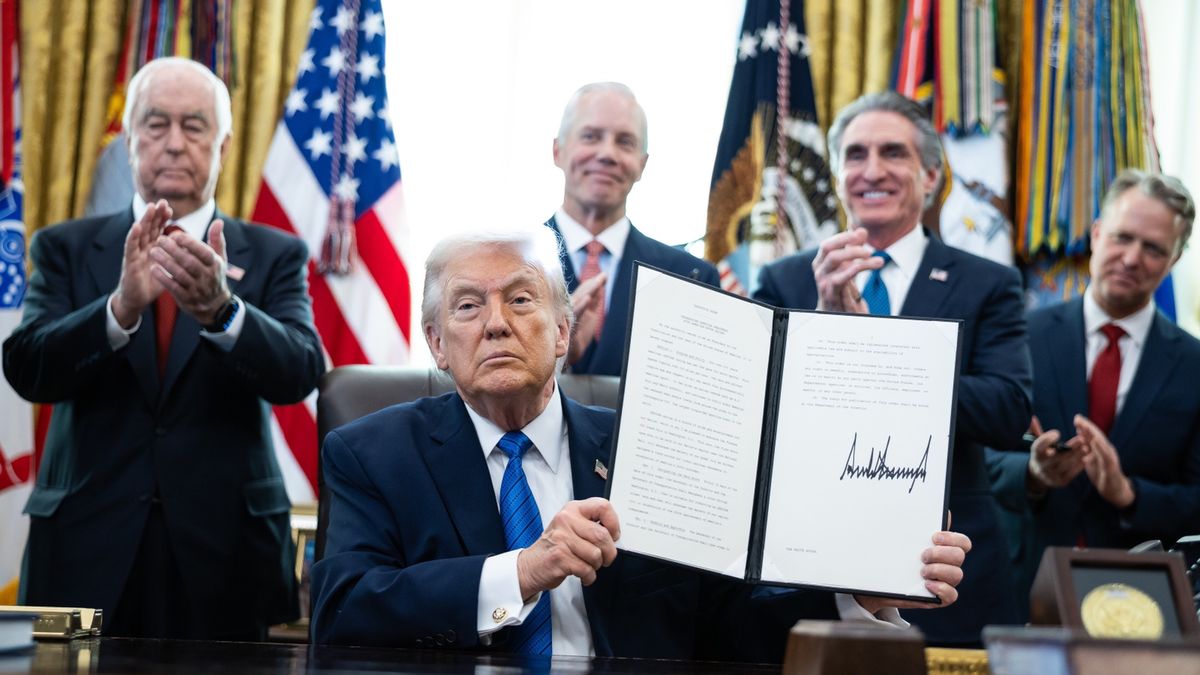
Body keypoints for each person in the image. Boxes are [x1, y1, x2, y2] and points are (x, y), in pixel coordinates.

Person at [310, 224, 971, 661]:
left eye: (521, 300)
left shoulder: (656, 446)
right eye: (467, 306)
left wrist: (863, 593)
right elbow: (342, 612)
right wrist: (524, 571)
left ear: (563, 332)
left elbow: (727, 625)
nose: (497, 324)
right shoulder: (370, 452)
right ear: (436, 344)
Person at [2, 57, 324, 640]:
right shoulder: (64, 248)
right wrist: (119, 308)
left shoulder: (275, 253)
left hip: (229, 556)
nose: (174, 143)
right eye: (156, 124)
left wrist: (223, 311)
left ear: (223, 146)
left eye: (194, 125)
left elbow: (301, 371)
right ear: (129, 140)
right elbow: (28, 368)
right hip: (84, 548)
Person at [753, 91, 1032, 645]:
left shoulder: (988, 283)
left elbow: (1008, 409)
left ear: (930, 175)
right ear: (838, 175)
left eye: (893, 153)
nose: (872, 170)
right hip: (809, 562)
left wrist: (877, 353)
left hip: (946, 567)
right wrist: (826, 333)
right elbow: (758, 412)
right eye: (855, 155)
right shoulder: (786, 280)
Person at [989, 170, 1200, 604]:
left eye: (1154, 248)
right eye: (1123, 237)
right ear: (1098, 234)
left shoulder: (1194, 366)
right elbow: (975, 460)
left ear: (1175, 259)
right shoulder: (1019, 338)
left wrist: (1130, 494)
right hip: (1018, 587)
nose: (1132, 258)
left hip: (1141, 601)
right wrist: (1032, 473)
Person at [547, 82, 720, 375]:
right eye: (590, 137)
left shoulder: (690, 279)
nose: (607, 154)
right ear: (557, 151)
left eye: (625, 142)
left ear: (642, 164)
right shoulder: (510, 262)